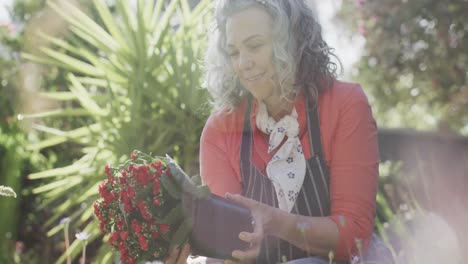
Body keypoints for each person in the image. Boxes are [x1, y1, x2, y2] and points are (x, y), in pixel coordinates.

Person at [167, 0, 393, 263]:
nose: (243, 63)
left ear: (292, 42)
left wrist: (277, 223)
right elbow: (229, 250)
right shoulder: (220, 130)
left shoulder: (344, 105)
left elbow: (353, 235)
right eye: (233, 52)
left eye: (255, 46)